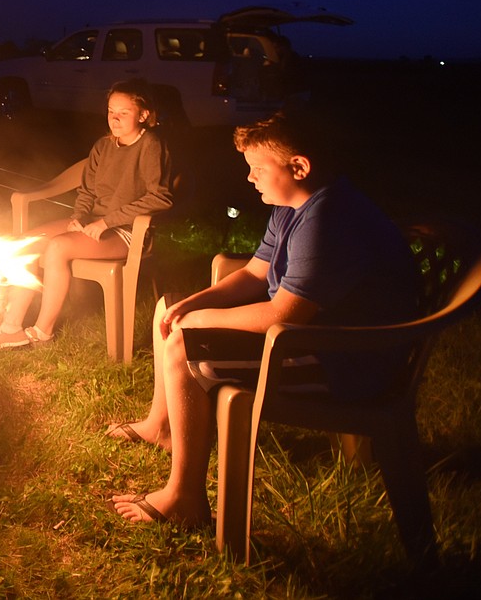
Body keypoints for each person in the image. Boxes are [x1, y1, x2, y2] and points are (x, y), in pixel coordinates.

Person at [107, 108, 417, 527]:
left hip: (344, 357)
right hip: (308, 336)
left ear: (299, 167)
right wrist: (195, 304)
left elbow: (285, 312)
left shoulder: (327, 218)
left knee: (183, 343)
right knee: (173, 309)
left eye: (257, 168)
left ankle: (184, 498)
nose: (250, 178)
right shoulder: (291, 205)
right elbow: (255, 274)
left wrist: (201, 323)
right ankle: (160, 426)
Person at [0, 80, 173, 349]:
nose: (115, 118)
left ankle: (42, 332)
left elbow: (159, 197)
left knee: (57, 247)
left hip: (128, 231)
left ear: (143, 115)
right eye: (111, 111)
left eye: (124, 112)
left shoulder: (151, 145)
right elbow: (87, 190)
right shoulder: (103, 146)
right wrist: (79, 217)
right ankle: (11, 327)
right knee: (25, 242)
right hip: (94, 222)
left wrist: (107, 222)